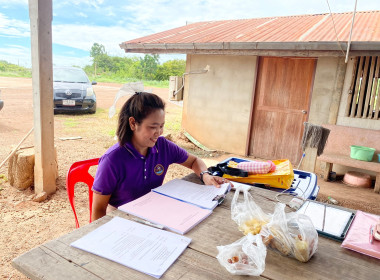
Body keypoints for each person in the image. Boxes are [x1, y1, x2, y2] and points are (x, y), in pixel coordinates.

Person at [91, 91, 228, 221]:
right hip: (121, 217)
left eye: (161, 126)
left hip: (153, 212)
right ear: (133, 123)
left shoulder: (162, 146)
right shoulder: (113, 160)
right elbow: (98, 210)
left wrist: (205, 175)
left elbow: (194, 161)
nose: (159, 132)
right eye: (153, 127)